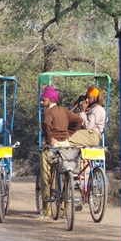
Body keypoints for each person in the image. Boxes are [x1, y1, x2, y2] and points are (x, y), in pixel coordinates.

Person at [38, 86, 84, 217]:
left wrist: (49, 139)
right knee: (64, 176)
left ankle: (47, 209)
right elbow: (79, 120)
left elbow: (47, 125)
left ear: (51, 100)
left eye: (43, 100)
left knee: (46, 176)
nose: (41, 102)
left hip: (53, 145)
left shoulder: (48, 113)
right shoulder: (64, 111)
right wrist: (69, 133)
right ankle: (63, 208)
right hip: (65, 145)